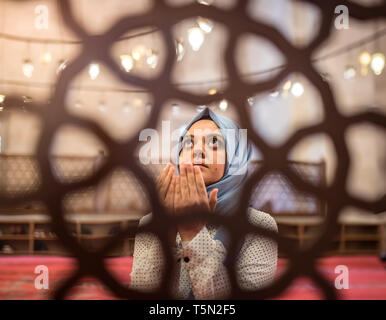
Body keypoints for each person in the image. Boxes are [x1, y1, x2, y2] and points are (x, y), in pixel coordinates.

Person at [129, 108, 278, 299]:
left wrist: (194, 234)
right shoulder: (150, 223)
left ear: (236, 158)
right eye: (188, 143)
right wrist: (165, 231)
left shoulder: (258, 226)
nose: (197, 150)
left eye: (215, 142)